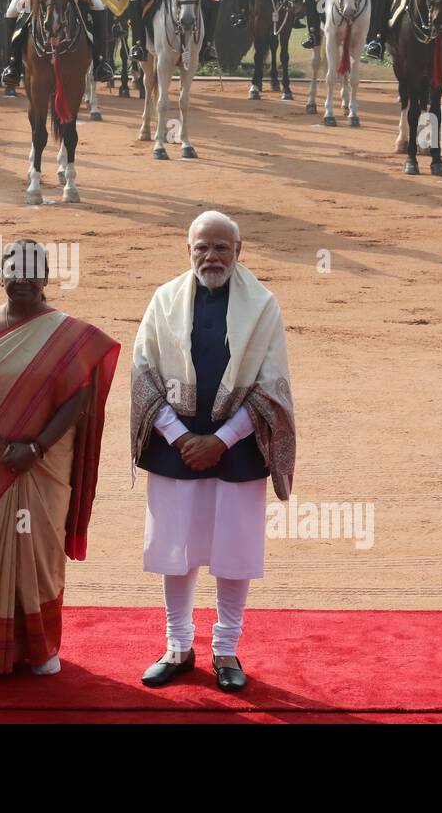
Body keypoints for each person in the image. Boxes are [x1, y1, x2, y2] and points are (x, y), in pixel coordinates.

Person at [132, 211, 296, 694]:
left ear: (239, 251)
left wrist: (220, 440)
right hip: (174, 447)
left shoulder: (263, 306)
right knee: (175, 552)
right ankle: (178, 646)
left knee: (233, 551)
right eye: (202, 247)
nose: (212, 256)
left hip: (239, 449)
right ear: (189, 251)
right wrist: (182, 437)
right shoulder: (163, 301)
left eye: (222, 247)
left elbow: (270, 390)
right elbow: (143, 377)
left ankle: (226, 650)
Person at [0, 240, 120, 675]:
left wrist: (37, 448)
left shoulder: (67, 334)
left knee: (41, 552)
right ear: (0, 273)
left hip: (46, 463)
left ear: (46, 278)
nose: (22, 278)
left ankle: (39, 649)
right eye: (13, 268)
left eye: (32, 270)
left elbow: (78, 399)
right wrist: (0, 448)